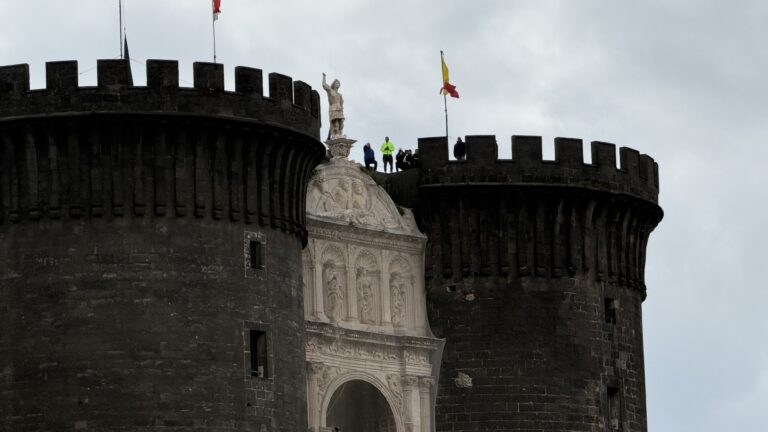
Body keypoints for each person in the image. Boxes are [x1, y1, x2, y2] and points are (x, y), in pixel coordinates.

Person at [322, 73, 345, 139]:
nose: (338, 84)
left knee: (341, 123)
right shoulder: (330, 90)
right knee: (336, 122)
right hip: (333, 108)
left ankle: (340, 133)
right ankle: (336, 134)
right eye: (337, 83)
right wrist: (324, 77)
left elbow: (341, 103)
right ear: (334, 84)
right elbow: (324, 85)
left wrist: (342, 108)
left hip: (339, 109)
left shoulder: (340, 95)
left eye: (339, 83)